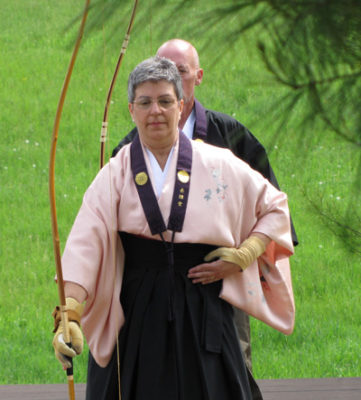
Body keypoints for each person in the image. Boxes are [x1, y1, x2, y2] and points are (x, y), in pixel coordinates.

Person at [52, 56, 295, 400]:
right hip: (135, 312)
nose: (156, 111)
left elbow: (275, 207)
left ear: (181, 106)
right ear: (131, 110)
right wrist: (71, 312)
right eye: (145, 102)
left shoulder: (219, 162)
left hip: (204, 301)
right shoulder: (115, 173)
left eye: (165, 101)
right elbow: (85, 245)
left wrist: (245, 254)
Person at [112, 38, 298, 380]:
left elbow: (272, 205)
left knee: (231, 369)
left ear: (197, 77)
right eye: (162, 69)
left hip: (221, 276)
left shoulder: (227, 135)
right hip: (150, 291)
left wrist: (243, 256)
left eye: (179, 71)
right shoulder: (129, 149)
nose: (169, 76)